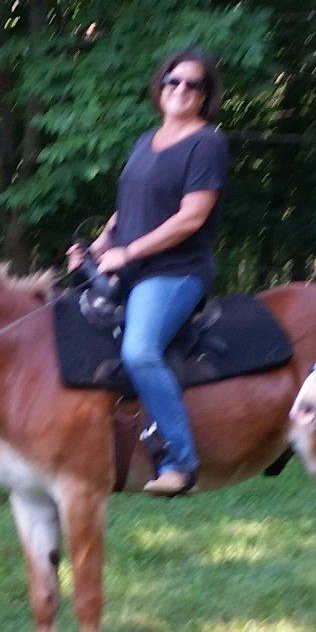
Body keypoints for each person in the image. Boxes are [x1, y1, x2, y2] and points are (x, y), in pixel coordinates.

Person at [68, 47, 230, 497]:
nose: (179, 90)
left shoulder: (206, 144)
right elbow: (127, 209)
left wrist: (129, 252)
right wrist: (100, 244)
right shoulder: (145, 141)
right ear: (160, 86)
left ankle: (180, 460)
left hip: (176, 272)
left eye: (191, 84)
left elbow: (190, 218)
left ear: (205, 95)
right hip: (133, 267)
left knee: (139, 351)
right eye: (172, 81)